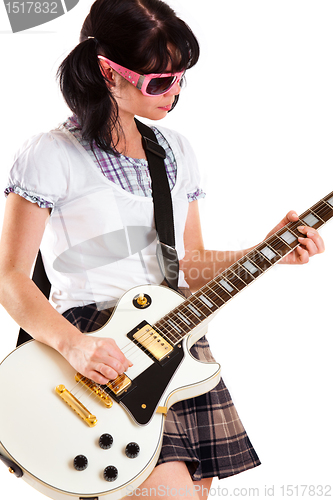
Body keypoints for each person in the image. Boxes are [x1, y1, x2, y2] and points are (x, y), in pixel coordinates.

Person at [0, 0, 325, 498]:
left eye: (180, 79)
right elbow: (11, 278)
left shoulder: (175, 151)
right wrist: (74, 345)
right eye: (157, 82)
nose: (172, 94)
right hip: (98, 349)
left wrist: (268, 251)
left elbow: (189, 267)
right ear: (108, 73)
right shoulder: (50, 154)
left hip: (178, 346)